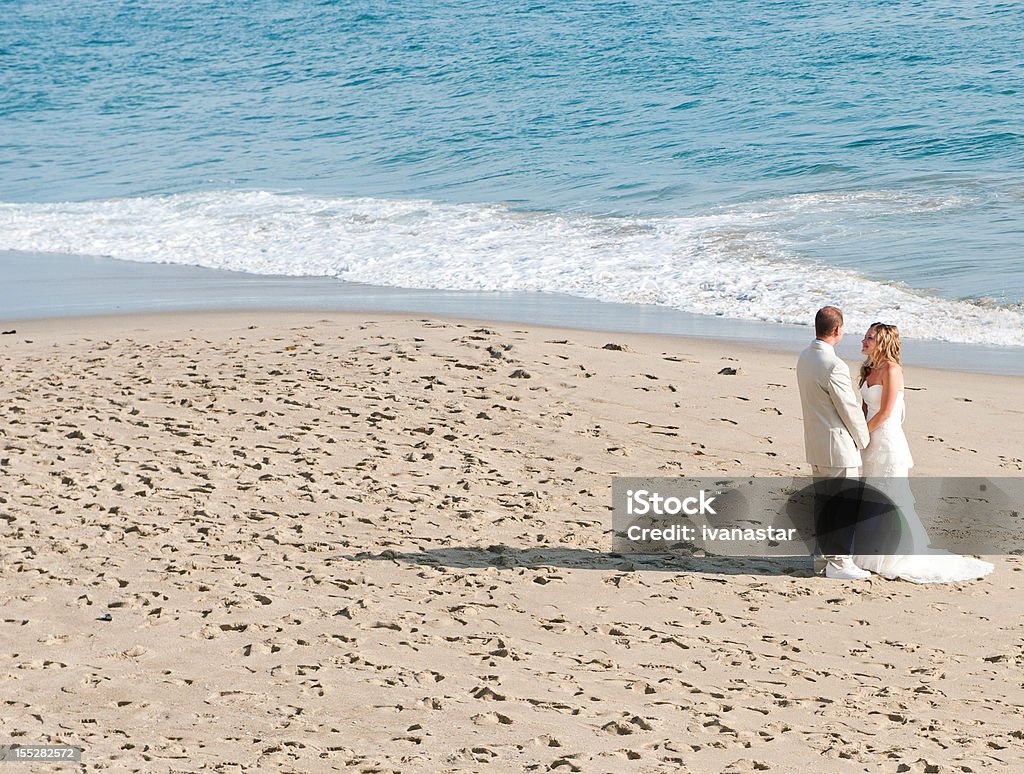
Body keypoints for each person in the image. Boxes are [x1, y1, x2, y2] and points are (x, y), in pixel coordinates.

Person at [851, 323, 994, 583]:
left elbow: (885, 412)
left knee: (890, 497)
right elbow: (863, 410)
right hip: (870, 444)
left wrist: (860, 436)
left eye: (869, 337)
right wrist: (855, 433)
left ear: (882, 342)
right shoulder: (869, 370)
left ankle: (895, 554)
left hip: (887, 443)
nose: (863, 340)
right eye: (865, 336)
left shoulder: (893, 371)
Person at [797, 306, 872, 579]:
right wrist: (864, 440)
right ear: (838, 330)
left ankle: (821, 559)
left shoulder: (804, 357)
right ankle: (839, 564)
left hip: (815, 445)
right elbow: (849, 408)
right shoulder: (833, 365)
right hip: (837, 447)